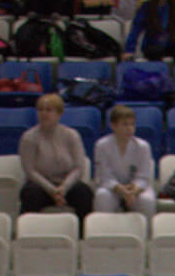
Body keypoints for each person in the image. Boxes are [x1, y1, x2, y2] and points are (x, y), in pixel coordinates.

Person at [18, 94, 93, 229]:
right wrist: (52, 190)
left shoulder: (71, 135)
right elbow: (30, 170)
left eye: (48, 110)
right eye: (40, 110)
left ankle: (83, 234)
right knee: (30, 194)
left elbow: (79, 168)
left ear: (59, 114)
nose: (44, 114)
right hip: (41, 185)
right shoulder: (28, 137)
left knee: (84, 193)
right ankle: (28, 231)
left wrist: (63, 189)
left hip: (66, 184)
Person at [93, 105, 156, 223]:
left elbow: (144, 176)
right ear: (113, 126)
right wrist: (121, 189)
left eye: (132, 125)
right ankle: (103, 230)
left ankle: (147, 233)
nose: (130, 129)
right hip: (112, 188)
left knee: (147, 200)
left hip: (136, 189)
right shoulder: (102, 145)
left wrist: (134, 190)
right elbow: (104, 175)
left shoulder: (143, 146)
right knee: (102, 196)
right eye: (125, 125)